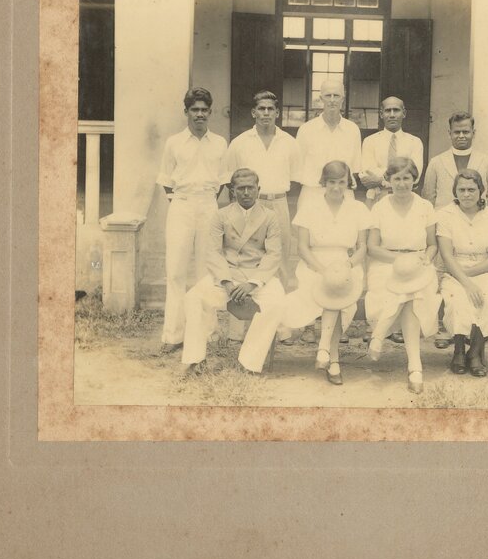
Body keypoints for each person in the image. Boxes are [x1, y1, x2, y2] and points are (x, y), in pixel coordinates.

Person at [180, 168, 286, 374]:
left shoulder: (270, 217)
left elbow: (274, 255)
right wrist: (227, 283)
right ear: (232, 191)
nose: (246, 193)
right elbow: (213, 252)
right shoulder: (221, 215)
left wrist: (253, 284)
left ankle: (249, 362)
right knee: (193, 297)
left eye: (250, 188)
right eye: (241, 188)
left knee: (276, 302)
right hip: (227, 275)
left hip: (256, 275)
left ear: (258, 190)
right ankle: (194, 360)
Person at [280, 161, 370, 384]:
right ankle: (333, 358)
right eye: (331, 182)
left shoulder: (358, 208)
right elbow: (302, 248)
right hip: (314, 265)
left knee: (338, 285)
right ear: (324, 182)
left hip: (347, 264)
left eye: (341, 182)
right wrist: (323, 270)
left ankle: (325, 350)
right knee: (332, 285)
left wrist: (347, 266)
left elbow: (362, 248)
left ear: (348, 183)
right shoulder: (310, 207)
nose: (337, 187)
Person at [155, 87, 228, 353]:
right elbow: (166, 179)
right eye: (195, 110)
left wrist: (206, 201)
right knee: (175, 271)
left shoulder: (219, 143)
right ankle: (173, 335)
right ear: (186, 112)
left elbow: (222, 180)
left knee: (206, 271)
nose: (199, 114)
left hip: (208, 205)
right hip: (181, 205)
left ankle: (207, 332)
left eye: (204, 110)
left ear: (210, 112)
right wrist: (181, 203)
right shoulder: (174, 143)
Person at [422, 110, 488, 350]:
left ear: (474, 133)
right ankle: (446, 329)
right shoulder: (437, 162)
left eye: (466, 131)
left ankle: (473, 330)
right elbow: (428, 196)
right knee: (444, 277)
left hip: (473, 226)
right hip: (444, 227)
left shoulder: (486, 162)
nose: (462, 136)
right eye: (457, 132)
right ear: (449, 133)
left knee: (475, 283)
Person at [364, 157, 441, 394]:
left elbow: (432, 245)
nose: (401, 183)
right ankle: (415, 367)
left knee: (413, 295)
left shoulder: (425, 207)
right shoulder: (380, 207)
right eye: (396, 178)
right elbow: (372, 247)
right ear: (388, 180)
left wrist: (426, 259)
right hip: (386, 263)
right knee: (408, 295)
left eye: (406, 178)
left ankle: (379, 335)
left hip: (417, 264)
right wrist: (399, 260)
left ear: (414, 180)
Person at [223, 91, 301, 290]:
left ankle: (280, 304)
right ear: (253, 112)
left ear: (277, 113)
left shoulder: (289, 142)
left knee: (280, 257)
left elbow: (296, 178)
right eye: (261, 109)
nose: (266, 113)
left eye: (270, 109)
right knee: (250, 256)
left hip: (279, 203)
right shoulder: (239, 143)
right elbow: (230, 179)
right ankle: (250, 303)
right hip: (250, 205)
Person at [435, 170, 488, 377]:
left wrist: (472, 274)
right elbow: (447, 256)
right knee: (458, 301)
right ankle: (458, 351)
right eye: (462, 190)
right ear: (455, 192)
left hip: (485, 270)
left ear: (481, 190)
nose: (466, 194)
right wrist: (466, 281)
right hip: (455, 271)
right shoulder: (446, 215)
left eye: (471, 189)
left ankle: (474, 352)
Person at [295, 78, 362, 213]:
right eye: (328, 95)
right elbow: (297, 165)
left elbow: (355, 168)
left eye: (336, 95)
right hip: (312, 193)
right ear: (321, 98)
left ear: (343, 98)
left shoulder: (353, 130)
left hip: (344, 193)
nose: (332, 100)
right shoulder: (306, 130)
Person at [360, 96, 424, 205]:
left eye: (396, 110)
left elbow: (415, 176)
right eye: (388, 111)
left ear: (404, 113)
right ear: (381, 114)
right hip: (376, 199)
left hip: (405, 199)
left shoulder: (414, 142)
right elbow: (367, 174)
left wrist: (380, 180)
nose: (392, 115)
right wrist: (401, 174)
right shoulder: (370, 141)